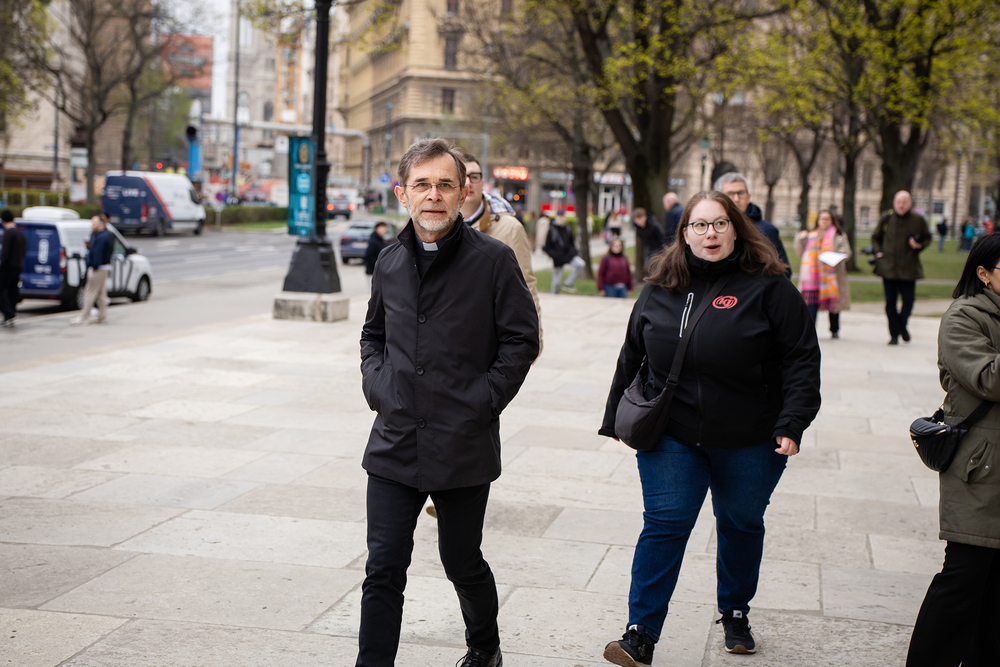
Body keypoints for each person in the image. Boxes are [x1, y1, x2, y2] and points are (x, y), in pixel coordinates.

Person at [598, 190, 821, 666]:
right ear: (684, 234)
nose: (710, 234)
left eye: (720, 223)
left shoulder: (770, 288)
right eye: (699, 225)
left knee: (740, 523)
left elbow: (802, 358)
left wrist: (793, 421)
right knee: (665, 524)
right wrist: (615, 416)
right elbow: (632, 352)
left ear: (737, 229)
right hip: (672, 433)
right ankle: (640, 633)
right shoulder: (660, 286)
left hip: (751, 437)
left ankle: (735, 611)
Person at [358, 138, 538, 667]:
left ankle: (485, 647)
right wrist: (380, 387)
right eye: (422, 185)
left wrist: (482, 400)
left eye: (444, 185)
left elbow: (521, 340)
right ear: (402, 194)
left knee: (462, 561)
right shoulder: (389, 260)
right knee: (383, 567)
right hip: (395, 440)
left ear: (463, 193)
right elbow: (372, 336)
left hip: (463, 443)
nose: (433, 195)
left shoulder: (494, 260)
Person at [905, 233, 1000, 667]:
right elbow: (989, 379)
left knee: (994, 590)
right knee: (963, 579)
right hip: (981, 468)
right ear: (983, 274)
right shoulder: (963, 318)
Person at [460, 153, 543, 353]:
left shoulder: (510, 228)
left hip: (491, 341)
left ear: (483, 182)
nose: (468, 182)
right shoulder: (437, 225)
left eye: (474, 176)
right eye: (462, 176)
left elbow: (526, 285)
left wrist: (534, 337)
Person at [871, 190, 931, 345]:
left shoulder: (918, 220)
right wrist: (878, 252)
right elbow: (875, 237)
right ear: (894, 203)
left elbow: (927, 237)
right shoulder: (887, 218)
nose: (901, 205)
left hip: (908, 267)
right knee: (890, 302)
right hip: (888, 267)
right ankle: (894, 335)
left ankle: (902, 326)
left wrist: (919, 245)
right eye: (898, 202)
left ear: (910, 203)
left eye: (904, 202)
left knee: (908, 301)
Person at [713, 173, 791, 278]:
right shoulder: (709, 230)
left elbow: (783, 271)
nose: (736, 199)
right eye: (730, 194)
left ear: (748, 197)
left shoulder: (767, 230)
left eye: (740, 193)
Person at [794, 209, 852, 339]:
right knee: (811, 303)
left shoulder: (838, 235)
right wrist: (799, 239)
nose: (824, 221)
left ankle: (834, 329)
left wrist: (840, 253)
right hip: (813, 277)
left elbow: (847, 252)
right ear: (818, 221)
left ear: (832, 221)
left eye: (827, 219)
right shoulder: (810, 235)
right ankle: (811, 330)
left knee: (833, 304)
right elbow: (800, 253)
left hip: (832, 276)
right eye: (822, 219)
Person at [71, 214, 114, 326]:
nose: (92, 225)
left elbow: (97, 254)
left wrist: (93, 266)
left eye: (94, 223)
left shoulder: (101, 237)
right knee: (101, 293)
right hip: (103, 267)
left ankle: (84, 317)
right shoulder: (101, 235)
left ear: (100, 224)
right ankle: (102, 316)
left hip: (98, 268)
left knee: (89, 292)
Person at [542, 209, 586, 293]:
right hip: (558, 257)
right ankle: (554, 295)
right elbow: (548, 247)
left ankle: (568, 283)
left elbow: (572, 243)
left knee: (580, 264)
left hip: (568, 255)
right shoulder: (552, 230)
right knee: (556, 281)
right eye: (559, 217)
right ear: (556, 217)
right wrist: (555, 255)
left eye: (562, 217)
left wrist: (572, 253)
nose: (560, 219)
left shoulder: (567, 229)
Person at [0, 209, 27, 328]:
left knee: (1, 290)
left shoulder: (8, 233)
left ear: (3, 221)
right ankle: (11, 314)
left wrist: (2, 265)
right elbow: (24, 251)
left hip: (8, 266)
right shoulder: (20, 233)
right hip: (18, 266)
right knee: (12, 290)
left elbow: (5, 253)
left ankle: (8, 313)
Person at [363, 222, 390, 291]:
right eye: (383, 228)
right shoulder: (373, 241)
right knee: (372, 290)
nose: (385, 230)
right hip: (372, 270)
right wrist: (378, 265)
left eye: (385, 228)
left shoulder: (381, 240)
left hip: (379, 270)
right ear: (377, 229)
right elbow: (369, 256)